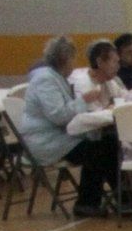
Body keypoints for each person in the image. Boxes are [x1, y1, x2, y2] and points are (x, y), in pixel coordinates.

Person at [20, 37, 116, 215]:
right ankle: (87, 203)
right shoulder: (45, 80)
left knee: (108, 144)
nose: (74, 64)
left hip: (57, 137)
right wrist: (83, 101)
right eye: (72, 58)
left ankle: (121, 196)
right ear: (65, 59)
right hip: (45, 141)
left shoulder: (56, 78)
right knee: (97, 151)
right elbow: (58, 115)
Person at [69, 39, 125, 107]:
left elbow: (124, 98)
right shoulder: (83, 84)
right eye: (114, 62)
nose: (118, 66)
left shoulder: (111, 83)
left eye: (118, 62)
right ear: (99, 62)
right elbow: (90, 115)